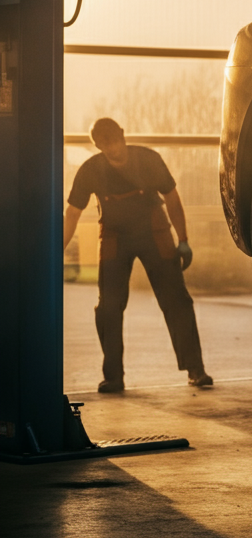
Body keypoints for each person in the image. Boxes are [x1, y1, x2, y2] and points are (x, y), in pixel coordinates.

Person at [62, 117, 212, 393]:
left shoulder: (149, 160)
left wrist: (183, 240)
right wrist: (55, 253)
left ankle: (196, 370)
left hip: (154, 231)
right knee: (108, 307)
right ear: (97, 146)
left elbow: (173, 200)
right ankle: (113, 377)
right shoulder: (90, 170)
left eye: (115, 141)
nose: (113, 149)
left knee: (177, 300)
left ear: (123, 135)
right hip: (114, 237)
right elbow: (72, 214)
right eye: (105, 145)